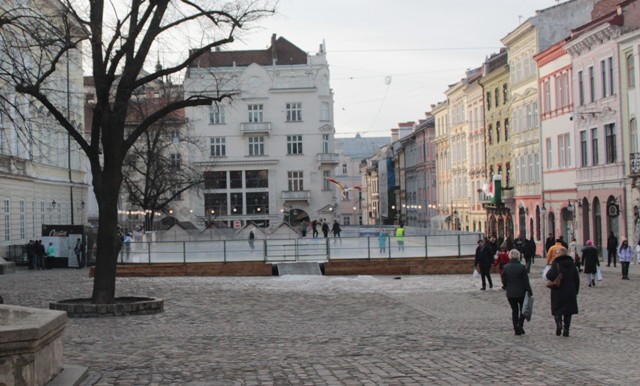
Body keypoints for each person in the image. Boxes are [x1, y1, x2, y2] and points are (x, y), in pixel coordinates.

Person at [546, 246, 580, 337]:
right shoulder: (572, 264)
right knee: (568, 311)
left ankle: (559, 325)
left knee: (557, 309)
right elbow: (577, 279)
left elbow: (549, 275)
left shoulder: (556, 264)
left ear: (559, 254)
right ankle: (566, 329)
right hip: (570, 291)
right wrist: (576, 291)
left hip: (558, 291)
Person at [502, 249, 533, 335]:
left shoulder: (506, 267)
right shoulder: (522, 267)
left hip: (510, 293)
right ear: (519, 257)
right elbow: (526, 281)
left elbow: (504, 280)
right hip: (521, 292)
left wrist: (506, 286)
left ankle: (516, 328)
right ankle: (520, 324)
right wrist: (529, 291)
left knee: (514, 310)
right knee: (522, 310)